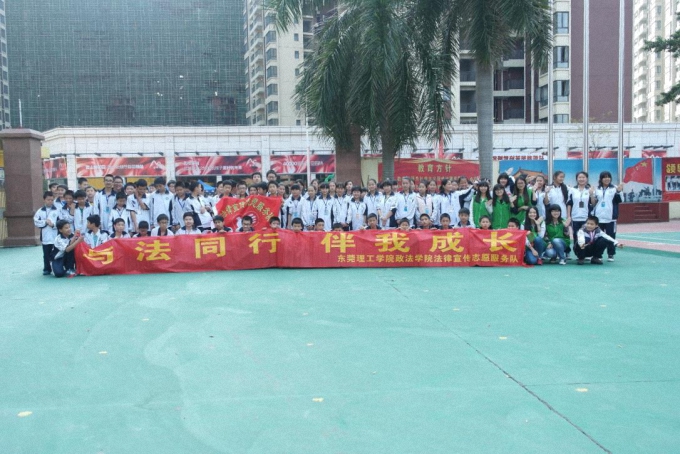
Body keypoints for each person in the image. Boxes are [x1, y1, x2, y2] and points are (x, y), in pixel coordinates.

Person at [590, 171, 623, 262]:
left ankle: (611, 254)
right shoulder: (597, 189)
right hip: (598, 217)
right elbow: (593, 203)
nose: (606, 179)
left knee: (611, 236)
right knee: (598, 237)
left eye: (608, 177)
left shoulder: (615, 188)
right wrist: (591, 194)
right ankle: (598, 254)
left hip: (611, 218)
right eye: (604, 177)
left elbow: (620, 200)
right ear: (601, 179)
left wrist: (619, 191)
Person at [34, 191, 60, 275]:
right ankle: (47, 268)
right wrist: (45, 222)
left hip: (55, 235)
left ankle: (57, 267)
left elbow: (61, 222)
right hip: (45, 235)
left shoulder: (57, 210)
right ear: (44, 200)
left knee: (57, 252)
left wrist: (53, 224)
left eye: (52, 200)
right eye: (48, 200)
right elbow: (36, 221)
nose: (50, 201)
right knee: (46, 254)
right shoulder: (40, 211)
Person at [568, 171, 591, 246]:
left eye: (583, 177)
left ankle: (586, 251)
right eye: (579, 177)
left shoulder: (590, 190)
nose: (581, 179)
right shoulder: (572, 190)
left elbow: (593, 203)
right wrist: (569, 216)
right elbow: (569, 203)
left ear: (586, 179)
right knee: (576, 235)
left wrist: (592, 194)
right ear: (576, 179)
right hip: (575, 217)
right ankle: (577, 251)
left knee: (586, 236)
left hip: (586, 217)